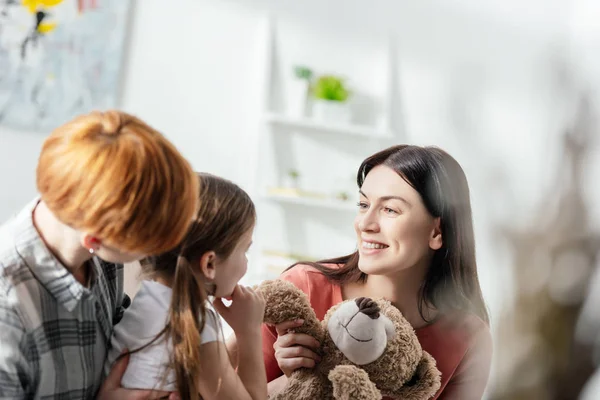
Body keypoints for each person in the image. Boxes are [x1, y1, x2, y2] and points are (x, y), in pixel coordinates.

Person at [229, 144, 493, 399]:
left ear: (437, 231)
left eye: (390, 209)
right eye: (364, 205)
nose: (365, 223)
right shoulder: (303, 288)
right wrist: (296, 380)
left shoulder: (469, 339)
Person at [0, 110, 199, 399]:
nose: (159, 250)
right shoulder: (8, 311)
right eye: (150, 243)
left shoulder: (98, 249)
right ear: (95, 239)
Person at [105, 173, 267, 400]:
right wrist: (249, 331)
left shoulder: (147, 303)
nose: (246, 263)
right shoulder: (194, 323)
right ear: (209, 263)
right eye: (244, 251)